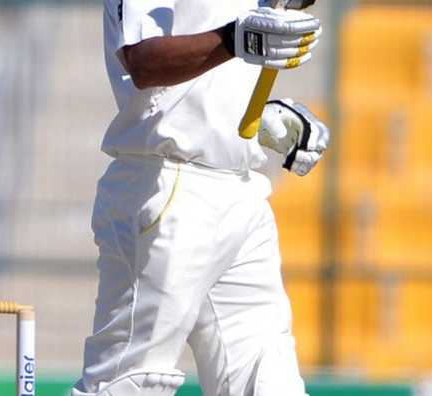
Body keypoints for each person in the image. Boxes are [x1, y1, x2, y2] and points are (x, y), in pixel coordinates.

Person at [72, 1, 329, 395]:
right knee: (129, 383)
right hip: (171, 186)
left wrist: (266, 118)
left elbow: (214, 77)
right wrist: (235, 39)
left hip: (242, 191)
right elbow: (145, 63)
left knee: (269, 384)